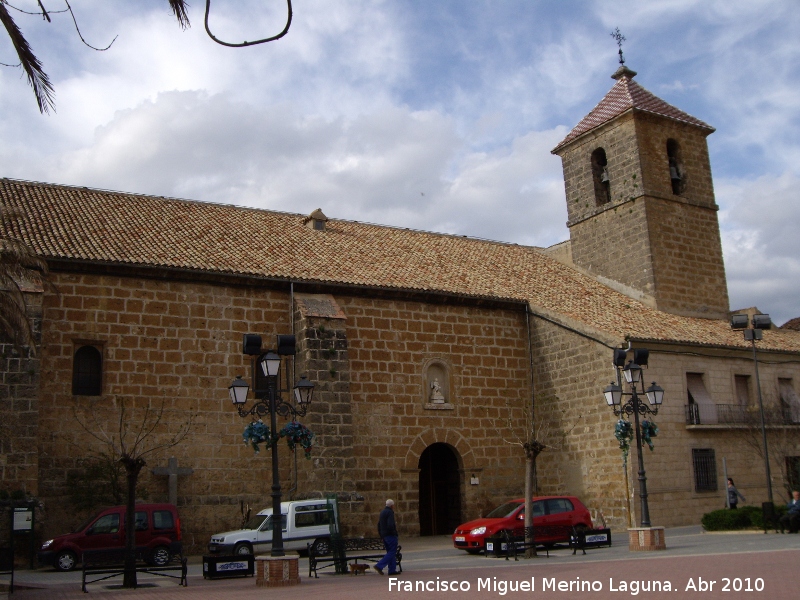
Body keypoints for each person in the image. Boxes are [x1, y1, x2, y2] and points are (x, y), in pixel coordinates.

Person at [374, 499, 399, 575]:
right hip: (390, 535)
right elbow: (390, 524)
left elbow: (379, 525)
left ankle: (392, 570)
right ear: (392, 506)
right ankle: (379, 565)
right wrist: (394, 533)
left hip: (384, 536)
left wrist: (381, 535)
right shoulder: (390, 512)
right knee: (392, 552)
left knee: (390, 552)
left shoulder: (382, 512)